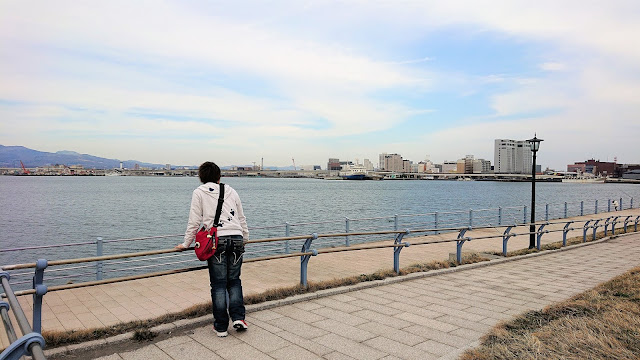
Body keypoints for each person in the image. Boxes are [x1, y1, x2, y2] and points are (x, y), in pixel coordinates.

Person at [175, 161, 249, 337]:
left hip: (217, 241)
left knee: (218, 284)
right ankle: (239, 318)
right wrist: (245, 238)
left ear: (201, 177)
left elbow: (194, 222)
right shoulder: (231, 191)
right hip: (237, 238)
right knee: (234, 281)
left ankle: (221, 326)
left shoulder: (199, 192)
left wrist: (186, 244)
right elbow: (241, 217)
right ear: (219, 176)